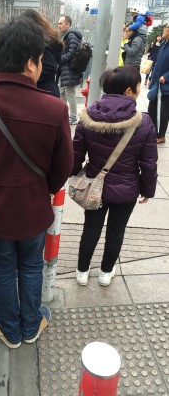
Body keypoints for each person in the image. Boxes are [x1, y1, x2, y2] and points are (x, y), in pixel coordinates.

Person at [0, 18, 73, 348]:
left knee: (3, 270)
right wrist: (41, 188)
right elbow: (64, 168)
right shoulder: (54, 109)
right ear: (31, 62)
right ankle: (31, 325)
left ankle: (10, 329)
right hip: (33, 212)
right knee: (32, 267)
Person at [72, 66, 157, 287]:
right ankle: (105, 273)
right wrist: (148, 190)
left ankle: (82, 272)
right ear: (129, 90)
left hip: (94, 187)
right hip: (126, 189)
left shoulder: (87, 117)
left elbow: (76, 154)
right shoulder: (144, 122)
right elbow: (148, 163)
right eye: (139, 86)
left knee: (90, 228)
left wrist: (72, 175)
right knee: (116, 231)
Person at [20, 9, 63, 97]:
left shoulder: (43, 43)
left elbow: (50, 68)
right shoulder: (46, 39)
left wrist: (27, 76)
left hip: (44, 93)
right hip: (47, 91)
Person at [57, 16, 83, 125]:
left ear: (68, 24)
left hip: (70, 70)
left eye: (61, 23)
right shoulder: (66, 35)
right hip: (66, 70)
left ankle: (73, 117)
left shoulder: (71, 35)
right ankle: (63, 114)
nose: (59, 25)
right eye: (58, 23)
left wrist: (59, 59)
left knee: (70, 93)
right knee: (62, 92)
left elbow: (71, 53)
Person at [148, 23, 169, 144]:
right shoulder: (163, 44)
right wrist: (152, 76)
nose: (164, 30)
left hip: (165, 86)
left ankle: (161, 135)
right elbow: (157, 63)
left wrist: (166, 76)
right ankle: (152, 131)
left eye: (166, 28)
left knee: (163, 111)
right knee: (152, 109)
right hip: (157, 83)